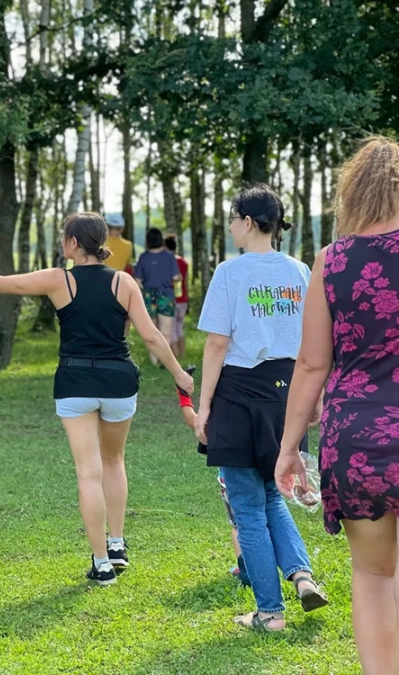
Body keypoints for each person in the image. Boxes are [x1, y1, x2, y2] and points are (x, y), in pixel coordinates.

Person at [0, 212, 193, 586]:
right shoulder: (123, 282)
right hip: (118, 381)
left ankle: (102, 563)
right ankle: (118, 543)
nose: (63, 243)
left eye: (64, 238)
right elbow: (153, 337)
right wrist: (179, 374)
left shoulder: (60, 280)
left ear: (74, 244)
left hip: (75, 382)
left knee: (87, 472)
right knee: (114, 460)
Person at [275, 137, 399, 672]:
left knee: (373, 577)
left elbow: (309, 365)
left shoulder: (331, 261)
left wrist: (288, 449)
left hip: (356, 441)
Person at [194, 185, 327, 631]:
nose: (231, 225)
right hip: (288, 390)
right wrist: (316, 399)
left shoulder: (231, 273)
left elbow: (216, 344)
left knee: (248, 502)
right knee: (274, 490)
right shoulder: (300, 271)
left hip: (240, 389)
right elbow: (314, 342)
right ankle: (302, 576)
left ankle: (270, 613)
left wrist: (203, 406)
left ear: (248, 222)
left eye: (233, 217)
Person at [175, 369, 250, 587]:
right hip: (260, 472)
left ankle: (244, 568)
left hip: (230, 479)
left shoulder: (215, 418)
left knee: (237, 525)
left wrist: (183, 393)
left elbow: (192, 420)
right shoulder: (250, 411)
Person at [134, 227, 180, 366]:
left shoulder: (143, 257)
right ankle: (164, 362)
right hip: (166, 295)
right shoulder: (169, 256)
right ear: (161, 240)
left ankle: (154, 362)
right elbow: (176, 277)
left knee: (151, 332)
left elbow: (137, 280)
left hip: (148, 296)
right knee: (166, 332)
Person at [165, 234, 189, 358]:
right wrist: (187, 298)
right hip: (183, 300)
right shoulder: (183, 262)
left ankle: (175, 356)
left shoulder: (166, 263)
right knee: (180, 327)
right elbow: (185, 282)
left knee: (171, 329)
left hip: (171, 299)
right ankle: (183, 354)